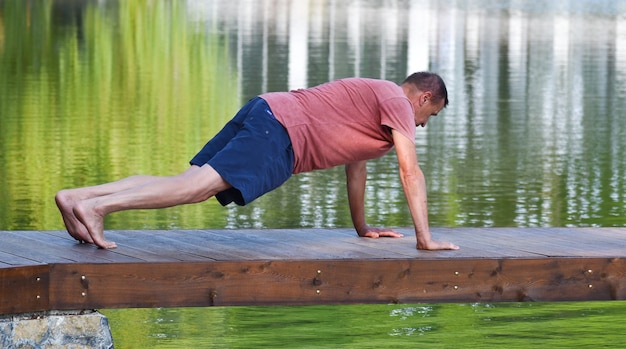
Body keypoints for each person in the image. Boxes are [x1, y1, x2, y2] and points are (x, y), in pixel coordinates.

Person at [55, 72, 460, 251]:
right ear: (424, 98)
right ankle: (97, 208)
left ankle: (78, 196)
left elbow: (356, 169)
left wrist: (362, 228)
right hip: (282, 131)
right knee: (195, 188)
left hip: (268, 110)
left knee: (189, 180)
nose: (423, 126)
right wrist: (424, 240)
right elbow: (412, 172)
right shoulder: (397, 102)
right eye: (432, 116)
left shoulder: (379, 104)